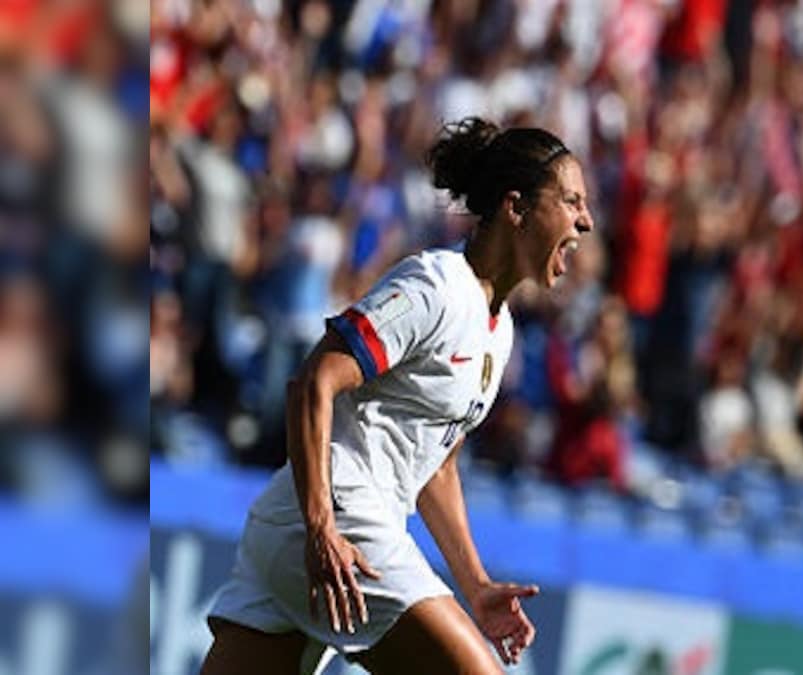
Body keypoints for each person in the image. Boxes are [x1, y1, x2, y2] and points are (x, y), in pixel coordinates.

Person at [200, 117, 595, 674]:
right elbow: (314, 381)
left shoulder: (498, 328)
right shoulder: (434, 286)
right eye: (572, 201)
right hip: (338, 519)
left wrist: (475, 585)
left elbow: (437, 464)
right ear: (516, 207)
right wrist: (322, 528)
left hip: (305, 526)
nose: (587, 220)